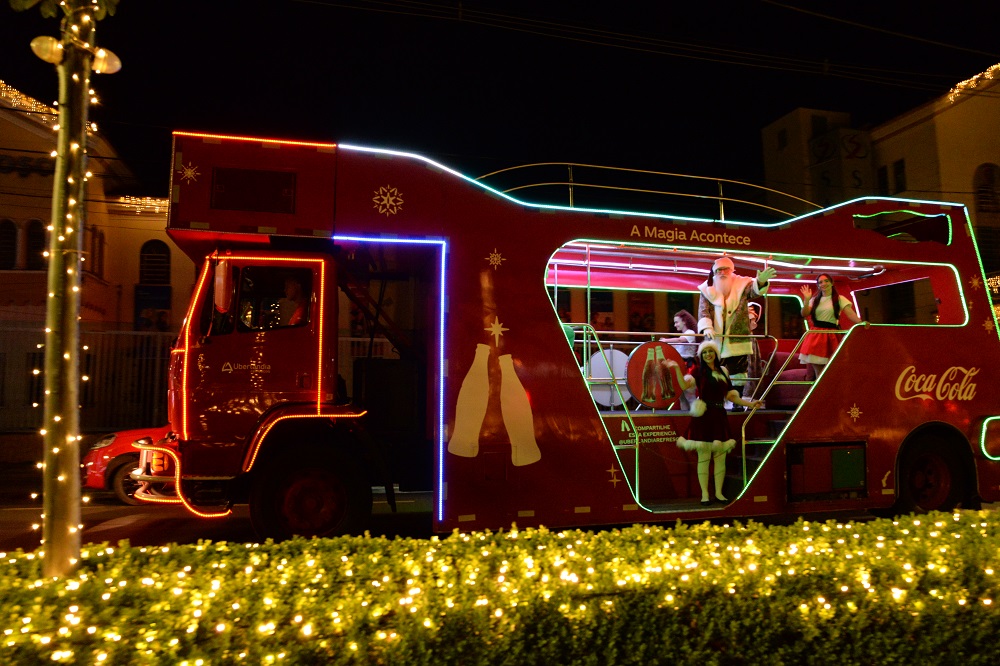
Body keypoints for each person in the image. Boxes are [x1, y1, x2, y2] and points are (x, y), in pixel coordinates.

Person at [666, 340, 763, 505]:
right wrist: (676, 369)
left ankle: (718, 493)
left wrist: (750, 403)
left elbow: (732, 396)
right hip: (704, 418)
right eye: (704, 352)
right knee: (704, 458)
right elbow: (684, 385)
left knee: (720, 458)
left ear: (716, 354)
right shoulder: (698, 371)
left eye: (710, 351)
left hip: (719, 416)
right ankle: (705, 494)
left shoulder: (723, 371)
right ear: (701, 355)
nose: (708, 355)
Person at [697, 256, 776, 397]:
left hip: (737, 338)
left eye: (725, 269)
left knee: (738, 373)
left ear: (731, 270)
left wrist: (761, 281)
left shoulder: (742, 284)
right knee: (714, 371)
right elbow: (703, 311)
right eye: (719, 270)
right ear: (714, 272)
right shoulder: (706, 289)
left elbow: (754, 291)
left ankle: (736, 402)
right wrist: (707, 327)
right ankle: (717, 400)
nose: (722, 273)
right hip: (715, 338)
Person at [798, 273, 862, 379]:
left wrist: (861, 324)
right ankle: (819, 393)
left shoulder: (839, 299)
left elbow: (850, 314)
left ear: (832, 283)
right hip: (816, 335)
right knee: (819, 371)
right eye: (820, 282)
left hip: (832, 335)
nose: (823, 284)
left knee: (832, 369)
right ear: (818, 286)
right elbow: (804, 314)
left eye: (826, 281)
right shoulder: (814, 300)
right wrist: (806, 300)